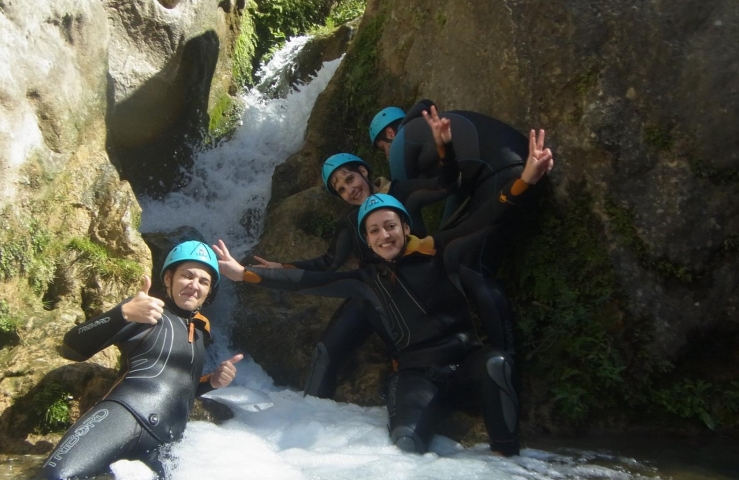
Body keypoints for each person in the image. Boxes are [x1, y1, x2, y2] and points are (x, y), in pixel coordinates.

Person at [213, 188, 553, 456]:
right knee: (405, 444)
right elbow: (308, 281)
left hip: (466, 368)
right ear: (367, 240)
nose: (384, 235)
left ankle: (506, 458)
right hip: (417, 378)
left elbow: (482, 219)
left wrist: (523, 181)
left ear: (405, 227)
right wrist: (245, 274)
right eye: (374, 230)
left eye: (390, 226)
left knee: (496, 362)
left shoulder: (441, 255)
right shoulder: (366, 280)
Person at [252, 109, 460, 399]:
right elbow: (329, 262)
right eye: (341, 189)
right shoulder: (351, 223)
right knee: (325, 351)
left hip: (414, 287)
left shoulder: (401, 192)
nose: (349, 190)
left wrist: (444, 147)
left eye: (350, 179)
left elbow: (447, 184)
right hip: (371, 291)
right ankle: (305, 417)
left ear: (364, 171)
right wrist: (283, 266)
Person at [40, 241, 243, 480]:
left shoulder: (200, 331)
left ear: (209, 291)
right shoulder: (146, 310)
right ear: (168, 278)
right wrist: (122, 314)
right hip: (124, 417)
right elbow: (71, 347)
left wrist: (212, 382)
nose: (194, 285)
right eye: (187, 276)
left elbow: (179, 389)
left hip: (165, 441)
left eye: (203, 281)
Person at [370, 101, 548, 274]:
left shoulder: (400, 143)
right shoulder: (426, 129)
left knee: (468, 262)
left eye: (384, 148)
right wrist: (442, 232)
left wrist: (419, 253)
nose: (387, 156)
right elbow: (455, 190)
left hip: (503, 172)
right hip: (525, 161)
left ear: (390, 133)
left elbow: (404, 206)